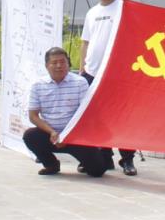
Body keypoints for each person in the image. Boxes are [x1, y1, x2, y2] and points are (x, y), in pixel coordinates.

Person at [77, 0, 137, 175]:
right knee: (97, 118)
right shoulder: (92, 13)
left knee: (123, 117)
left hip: (119, 73)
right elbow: (85, 42)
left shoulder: (124, 7)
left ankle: (127, 159)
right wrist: (82, 68)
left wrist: (128, 4)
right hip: (92, 73)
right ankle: (105, 157)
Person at [22, 46, 111, 177]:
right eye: (54, 62)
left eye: (62, 62)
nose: (59, 66)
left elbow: (86, 114)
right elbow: (33, 116)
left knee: (97, 171)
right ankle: (51, 164)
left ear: (68, 64)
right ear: (47, 66)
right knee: (30, 136)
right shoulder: (38, 85)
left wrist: (68, 135)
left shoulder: (80, 82)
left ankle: (94, 159)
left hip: (75, 135)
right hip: (51, 135)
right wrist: (52, 132)